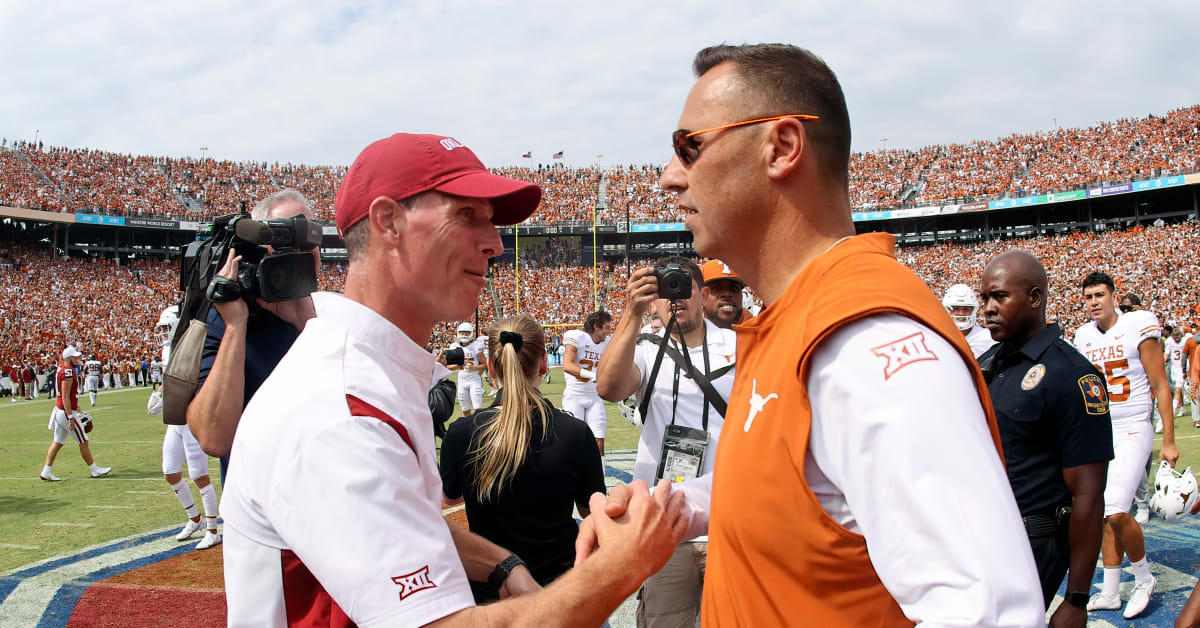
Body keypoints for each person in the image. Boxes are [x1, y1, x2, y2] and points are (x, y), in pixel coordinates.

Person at [584, 43, 1043, 626]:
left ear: (780, 147)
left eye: (689, 146)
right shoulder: (790, 321)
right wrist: (671, 507)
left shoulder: (865, 342)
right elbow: (785, 492)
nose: (670, 177)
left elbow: (986, 611)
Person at [220, 132, 687, 626]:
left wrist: (502, 564)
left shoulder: (370, 373)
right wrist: (623, 564)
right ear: (388, 221)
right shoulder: (341, 405)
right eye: (467, 216)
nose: (494, 244)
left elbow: (405, 521)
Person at [596, 256, 736, 627]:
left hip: (730, 520)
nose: (676, 297)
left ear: (703, 294)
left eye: (684, 286)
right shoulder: (643, 346)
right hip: (665, 524)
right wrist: (631, 312)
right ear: (653, 300)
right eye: (665, 288)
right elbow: (608, 388)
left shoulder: (738, 346)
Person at [976, 251, 1111, 624]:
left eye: (999, 296)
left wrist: (1077, 599)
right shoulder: (991, 362)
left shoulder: (1071, 376)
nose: (987, 308)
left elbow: (1088, 494)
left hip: (1032, 545)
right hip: (984, 536)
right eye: (984, 298)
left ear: (1035, 298)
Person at [440, 314, 606, 602]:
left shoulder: (461, 433)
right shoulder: (576, 434)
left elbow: (450, 499)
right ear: (543, 361)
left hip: (490, 598)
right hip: (559, 592)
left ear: (490, 366)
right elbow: (593, 512)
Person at [186, 188, 320, 481]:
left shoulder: (334, 313)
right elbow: (214, 438)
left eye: (310, 238)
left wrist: (308, 325)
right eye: (285, 239)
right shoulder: (230, 320)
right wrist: (235, 326)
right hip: (263, 511)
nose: (304, 250)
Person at [1073, 271, 1178, 618]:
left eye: (1099, 295)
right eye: (1088, 297)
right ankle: (1112, 591)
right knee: (1105, 513)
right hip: (1102, 428)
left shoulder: (1138, 324)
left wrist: (1169, 440)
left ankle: (1145, 579)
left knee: (1117, 509)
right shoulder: (1083, 336)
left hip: (1134, 425)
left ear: (1114, 295)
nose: (1094, 302)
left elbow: (1160, 384)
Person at [150, 305, 221, 550]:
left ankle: (213, 529)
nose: (163, 332)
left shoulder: (189, 344)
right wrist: (161, 394)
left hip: (189, 416)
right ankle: (195, 519)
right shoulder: (166, 350)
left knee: (198, 475)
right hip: (174, 420)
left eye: (166, 327)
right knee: (170, 471)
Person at [40, 346, 112, 481]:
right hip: (65, 412)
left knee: (57, 442)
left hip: (60, 410)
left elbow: (67, 396)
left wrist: (77, 409)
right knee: (83, 440)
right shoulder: (67, 371)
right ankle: (94, 470)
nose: (77, 359)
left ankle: (46, 471)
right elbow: (66, 396)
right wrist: (71, 416)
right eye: (75, 357)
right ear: (68, 358)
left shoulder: (62, 369)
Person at [561, 310, 613, 466]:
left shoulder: (608, 343)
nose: (609, 331)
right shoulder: (577, 337)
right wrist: (595, 376)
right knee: (575, 443)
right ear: (596, 327)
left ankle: (599, 483)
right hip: (574, 397)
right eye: (607, 327)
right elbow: (567, 365)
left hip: (594, 396)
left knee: (599, 442)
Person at [943, 282, 998, 358]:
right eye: (956, 309)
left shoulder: (988, 337)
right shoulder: (938, 337)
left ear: (974, 310)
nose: (961, 313)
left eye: (966, 309)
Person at [449, 322, 488, 417]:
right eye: (462, 333)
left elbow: (486, 364)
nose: (464, 335)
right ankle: (468, 426)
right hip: (462, 381)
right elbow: (448, 366)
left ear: (471, 333)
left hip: (474, 380)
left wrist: (474, 367)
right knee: (465, 408)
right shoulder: (455, 347)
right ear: (458, 333)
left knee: (477, 406)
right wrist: (459, 365)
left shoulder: (475, 346)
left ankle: (478, 425)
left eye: (466, 333)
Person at [699, 259, 751, 328]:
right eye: (717, 288)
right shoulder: (687, 334)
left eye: (733, 288)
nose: (727, 294)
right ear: (702, 296)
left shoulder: (758, 332)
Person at [1165, 325, 1187, 418]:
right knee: (1178, 389)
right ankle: (1182, 408)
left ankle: (1173, 411)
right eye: (1175, 337)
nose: (1176, 339)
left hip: (1182, 367)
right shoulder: (1169, 341)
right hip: (1174, 368)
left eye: (1178, 337)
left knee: (1178, 389)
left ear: (1180, 335)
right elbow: (1166, 354)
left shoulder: (1185, 341)